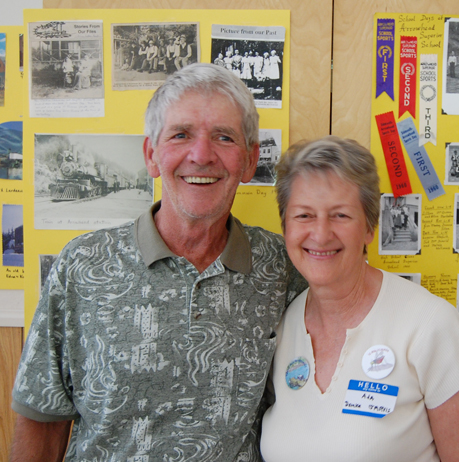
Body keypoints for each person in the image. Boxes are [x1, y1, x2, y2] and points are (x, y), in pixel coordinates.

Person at [10, 63, 307, 462]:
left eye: (224, 137)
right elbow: (42, 418)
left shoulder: (283, 267)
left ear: (250, 161)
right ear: (151, 156)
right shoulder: (82, 265)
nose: (201, 155)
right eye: (181, 135)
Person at [261, 136, 459, 462]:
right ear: (285, 227)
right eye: (304, 215)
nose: (321, 233)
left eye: (340, 215)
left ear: (369, 227)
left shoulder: (429, 325)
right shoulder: (281, 328)